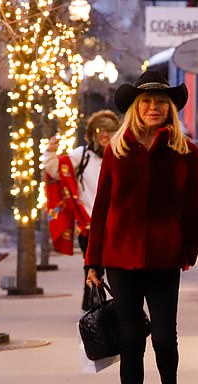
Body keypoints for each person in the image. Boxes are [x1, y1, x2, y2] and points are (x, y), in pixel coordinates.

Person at [85, 70, 198, 384]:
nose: (153, 107)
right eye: (146, 102)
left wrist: (184, 250)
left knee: (163, 337)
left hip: (163, 259)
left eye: (160, 102)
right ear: (136, 108)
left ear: (169, 108)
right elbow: (102, 207)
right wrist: (93, 262)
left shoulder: (186, 152)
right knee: (130, 341)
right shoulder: (117, 149)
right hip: (120, 257)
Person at [43, 110, 120, 310]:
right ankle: (93, 306)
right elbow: (56, 170)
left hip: (116, 222)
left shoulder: (121, 155)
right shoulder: (82, 155)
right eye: (100, 131)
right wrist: (50, 152)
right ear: (93, 134)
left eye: (110, 131)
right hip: (88, 224)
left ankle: (112, 304)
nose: (105, 135)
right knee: (92, 265)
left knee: (114, 267)